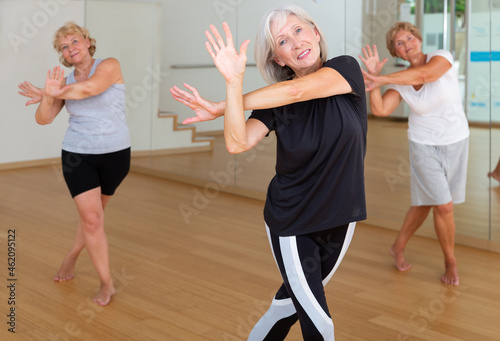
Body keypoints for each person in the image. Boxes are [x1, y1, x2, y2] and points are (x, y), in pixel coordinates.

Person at [171, 5, 367, 340]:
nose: (295, 42)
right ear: (279, 58)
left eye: (298, 30)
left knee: (287, 308)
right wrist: (232, 83)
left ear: (315, 33)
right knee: (319, 323)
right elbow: (237, 142)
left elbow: (297, 91)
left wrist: (220, 106)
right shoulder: (273, 102)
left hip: (340, 217)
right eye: (283, 41)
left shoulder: (345, 70)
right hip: (292, 221)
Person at [18, 22, 130, 305]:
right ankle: (107, 284)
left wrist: (50, 92)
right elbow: (43, 119)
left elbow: (90, 89)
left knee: (94, 217)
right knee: (92, 220)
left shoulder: (109, 65)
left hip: (116, 154)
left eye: (74, 41)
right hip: (77, 155)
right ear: (62, 55)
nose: (71, 49)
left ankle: (72, 255)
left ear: (88, 41)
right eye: (64, 47)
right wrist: (48, 96)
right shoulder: (62, 85)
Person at [359, 22, 469, 286]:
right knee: (443, 205)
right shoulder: (400, 82)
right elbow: (381, 110)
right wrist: (374, 80)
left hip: (456, 141)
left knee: (425, 202)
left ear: (419, 39)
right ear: (395, 52)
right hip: (423, 145)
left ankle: (398, 246)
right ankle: (450, 260)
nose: (407, 43)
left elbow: (424, 76)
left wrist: (382, 79)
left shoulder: (442, 57)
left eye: (410, 37)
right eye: (399, 42)